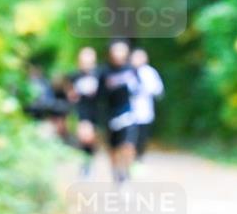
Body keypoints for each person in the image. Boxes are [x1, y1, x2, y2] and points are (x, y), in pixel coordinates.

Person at [99, 41, 140, 183]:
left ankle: (126, 173)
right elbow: (100, 95)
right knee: (113, 148)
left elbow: (138, 89)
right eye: (116, 51)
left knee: (128, 145)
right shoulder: (104, 72)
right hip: (111, 115)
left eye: (121, 51)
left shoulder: (131, 70)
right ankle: (116, 173)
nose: (118, 54)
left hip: (127, 114)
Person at [69, 47, 101, 177]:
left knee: (91, 139)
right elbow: (70, 93)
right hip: (82, 110)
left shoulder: (99, 74)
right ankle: (85, 164)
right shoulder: (74, 76)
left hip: (96, 110)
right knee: (84, 136)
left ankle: (88, 163)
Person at [129, 48, 165, 161]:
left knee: (142, 137)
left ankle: (139, 158)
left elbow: (158, 90)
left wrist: (146, 89)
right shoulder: (127, 72)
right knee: (129, 138)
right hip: (128, 112)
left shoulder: (150, 72)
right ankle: (130, 158)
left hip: (144, 111)